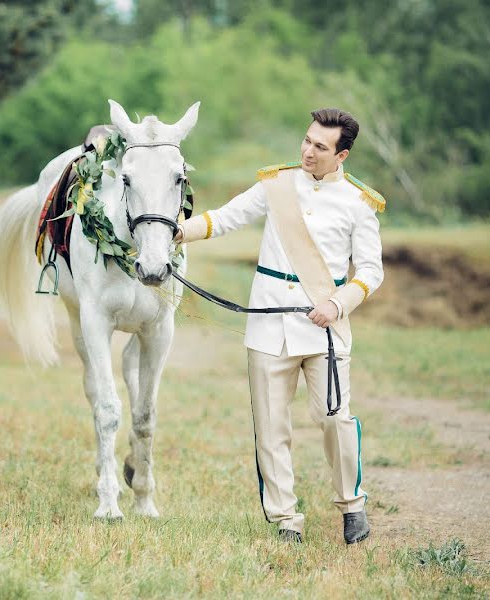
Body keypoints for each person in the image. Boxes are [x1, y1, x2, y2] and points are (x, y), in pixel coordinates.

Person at [177, 108, 384, 544]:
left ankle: (352, 504)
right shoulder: (277, 184)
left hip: (325, 328)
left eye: (320, 147)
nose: (308, 151)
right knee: (271, 427)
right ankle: (285, 519)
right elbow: (225, 218)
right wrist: (175, 232)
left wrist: (338, 302)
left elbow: (371, 270)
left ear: (341, 155)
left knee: (335, 420)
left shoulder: (359, 204)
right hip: (269, 324)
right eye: (307, 140)